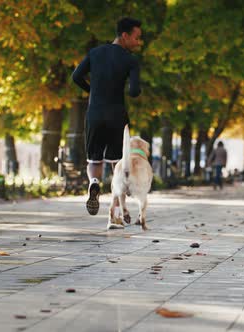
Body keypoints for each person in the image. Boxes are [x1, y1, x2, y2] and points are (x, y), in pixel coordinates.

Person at [71, 17, 143, 215]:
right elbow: (134, 91)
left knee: (94, 160)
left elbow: (76, 76)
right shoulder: (130, 60)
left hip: (94, 113)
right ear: (125, 35)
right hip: (117, 115)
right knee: (116, 162)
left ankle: (94, 182)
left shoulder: (95, 53)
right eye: (136, 38)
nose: (138, 42)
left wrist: (91, 90)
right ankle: (117, 209)